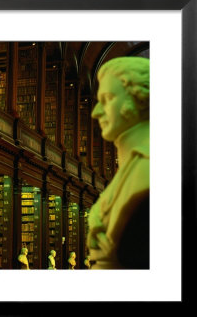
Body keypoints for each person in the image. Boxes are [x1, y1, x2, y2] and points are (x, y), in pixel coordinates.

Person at [87, 56, 150, 269]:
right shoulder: (131, 168)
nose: (95, 112)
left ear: (139, 98)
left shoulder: (149, 170)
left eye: (107, 99)